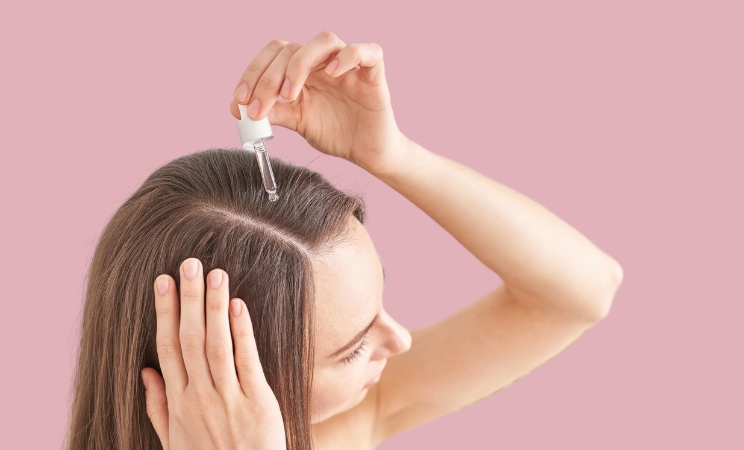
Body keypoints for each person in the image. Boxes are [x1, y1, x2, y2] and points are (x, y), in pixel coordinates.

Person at [67, 31, 623, 450]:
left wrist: (394, 156)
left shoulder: (340, 422)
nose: (400, 340)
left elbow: (582, 292)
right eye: (352, 348)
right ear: (229, 374)